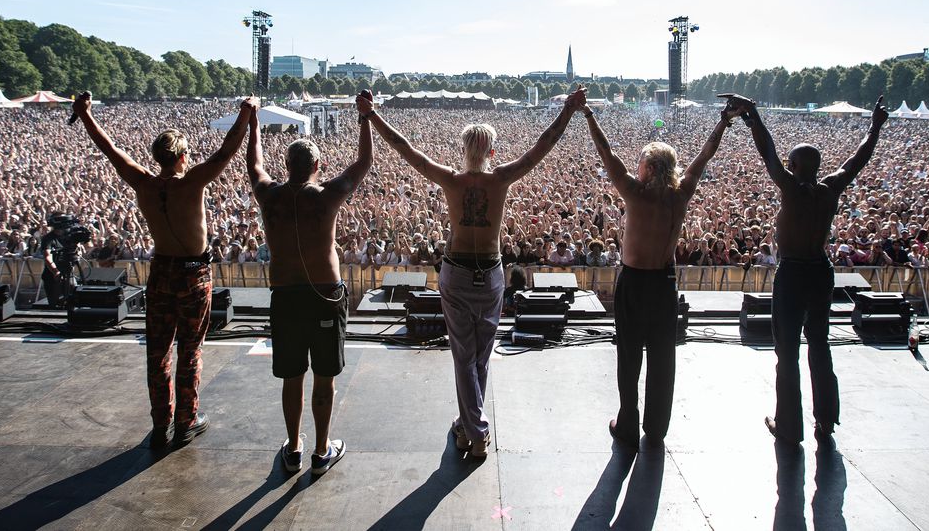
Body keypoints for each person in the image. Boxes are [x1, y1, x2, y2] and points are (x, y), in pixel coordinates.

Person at [364, 86, 588, 459]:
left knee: (465, 357)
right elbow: (542, 146)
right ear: (492, 152)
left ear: (463, 149)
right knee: (479, 356)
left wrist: (373, 116)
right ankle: (471, 427)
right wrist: (567, 110)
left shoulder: (450, 179)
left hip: (456, 273)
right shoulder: (501, 178)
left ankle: (472, 430)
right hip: (491, 273)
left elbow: (406, 149)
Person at [73, 93, 259, 450]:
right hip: (193, 275)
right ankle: (186, 422)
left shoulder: (142, 181)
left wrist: (84, 114)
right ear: (184, 156)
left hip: (161, 272)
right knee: (190, 351)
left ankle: (161, 424)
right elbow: (226, 151)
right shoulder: (191, 183)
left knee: (157, 353)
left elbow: (109, 147)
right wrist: (246, 112)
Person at [727, 93, 888, 445]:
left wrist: (751, 112)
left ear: (796, 166)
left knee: (787, 350)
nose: (785, 164)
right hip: (820, 271)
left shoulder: (791, 189)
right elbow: (857, 159)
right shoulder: (831, 188)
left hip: (794, 273)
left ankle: (788, 425)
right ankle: (826, 420)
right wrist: (874, 128)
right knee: (819, 345)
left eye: (790, 162)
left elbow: (767, 152)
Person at [582, 99, 736, 447]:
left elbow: (606, 153)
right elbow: (704, 157)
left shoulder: (635, 194)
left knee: (629, 355)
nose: (635, 167)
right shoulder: (680, 195)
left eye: (639, 162)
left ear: (649, 167)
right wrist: (723, 122)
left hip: (634, 282)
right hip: (664, 283)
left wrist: (589, 115)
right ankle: (656, 427)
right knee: (663, 356)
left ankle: (627, 425)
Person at [248, 92, 373, 477]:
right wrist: (365, 118)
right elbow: (364, 163)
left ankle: (293, 447)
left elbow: (253, 164)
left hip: (285, 296)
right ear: (318, 165)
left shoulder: (269, 196)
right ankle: (321, 450)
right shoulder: (327, 196)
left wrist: (252, 123)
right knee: (324, 376)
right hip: (324, 295)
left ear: (286, 166)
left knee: (291, 376)